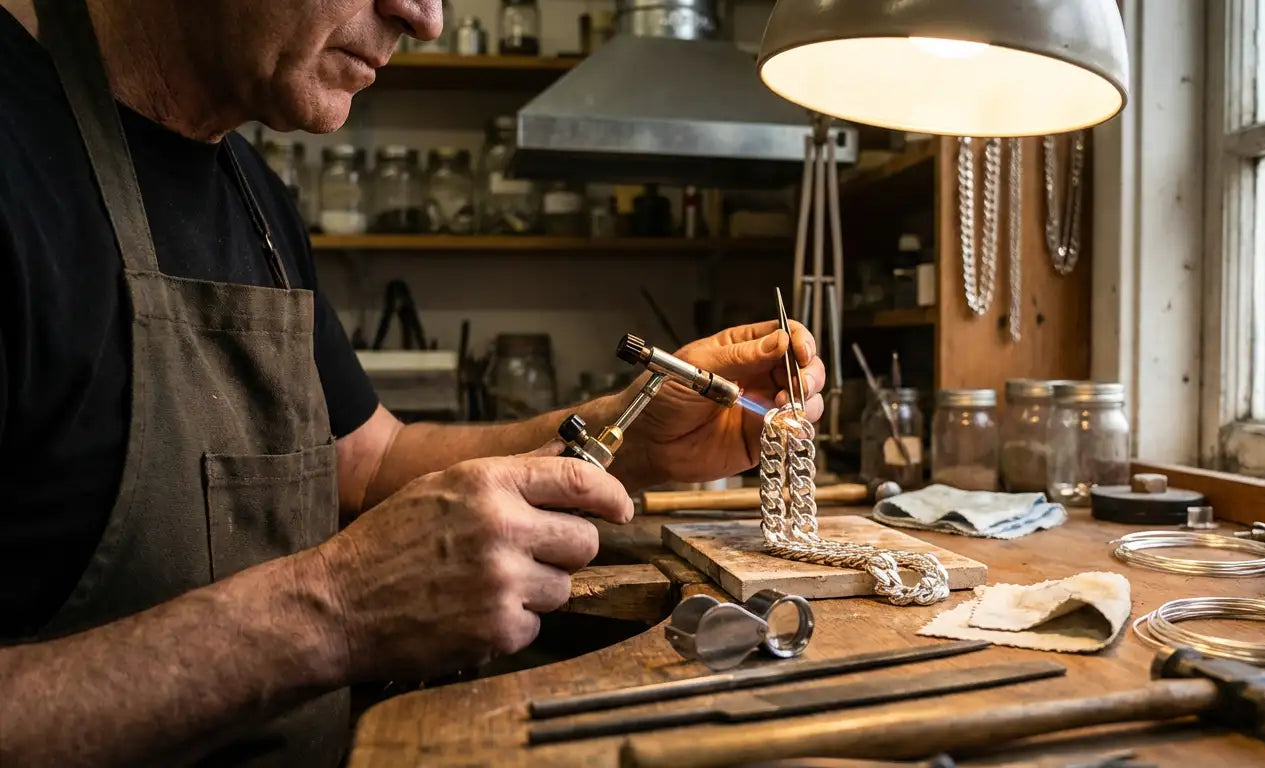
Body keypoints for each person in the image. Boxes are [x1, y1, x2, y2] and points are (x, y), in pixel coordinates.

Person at [0, 0, 826, 765]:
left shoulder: (253, 194)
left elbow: (367, 460)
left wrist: (628, 431)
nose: (422, 16)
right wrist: (332, 613)